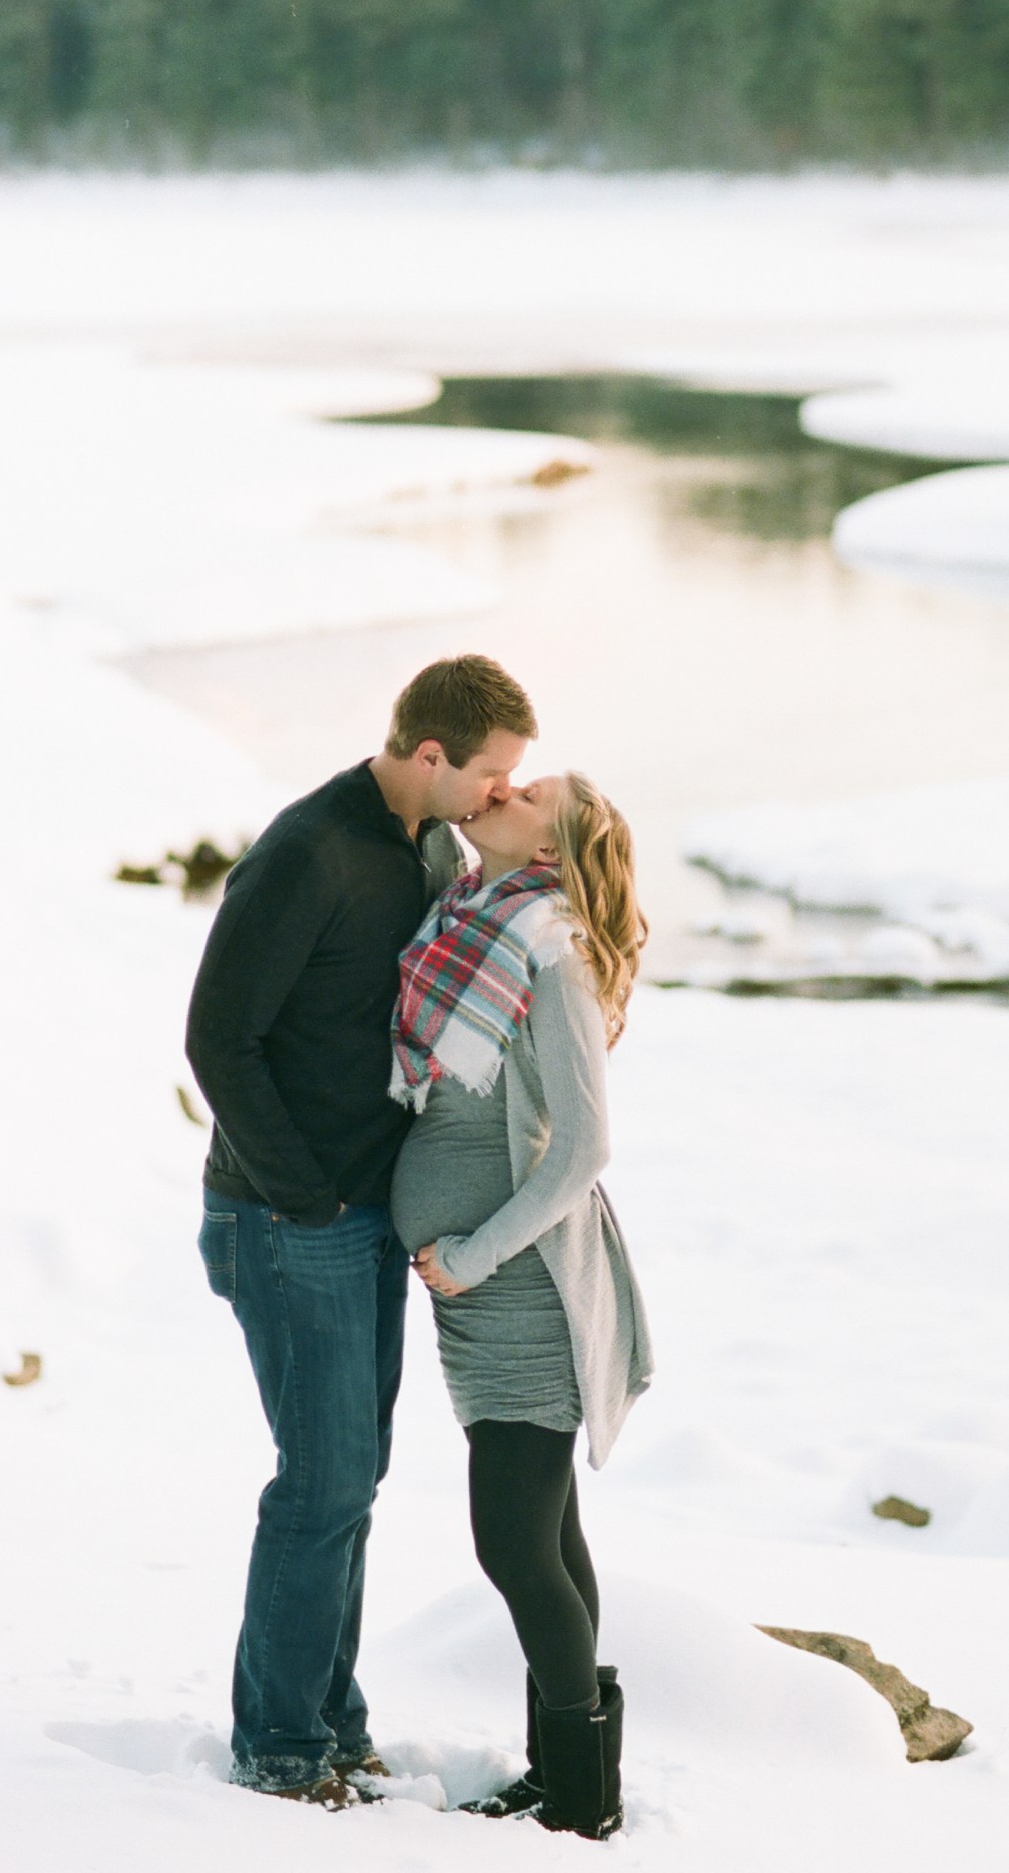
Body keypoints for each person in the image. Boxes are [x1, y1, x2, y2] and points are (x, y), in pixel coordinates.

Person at [186, 654, 537, 1808]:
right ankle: (281, 1744)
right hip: (290, 1219)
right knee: (321, 1480)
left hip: (357, 1215)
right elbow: (217, 1039)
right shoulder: (308, 853)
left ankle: (331, 1719)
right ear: (430, 755)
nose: (498, 793)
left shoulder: (415, 847)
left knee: (354, 1476)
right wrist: (306, 1193)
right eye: (491, 773)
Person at [389, 769, 653, 1842]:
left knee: (513, 1541)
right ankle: (571, 1776)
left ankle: (578, 1792)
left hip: (524, 1291)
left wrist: (475, 1251)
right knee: (551, 1534)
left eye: (529, 790)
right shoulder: (469, 908)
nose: (504, 786)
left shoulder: (548, 947)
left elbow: (584, 1147)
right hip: (483, 1289)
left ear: (555, 844)